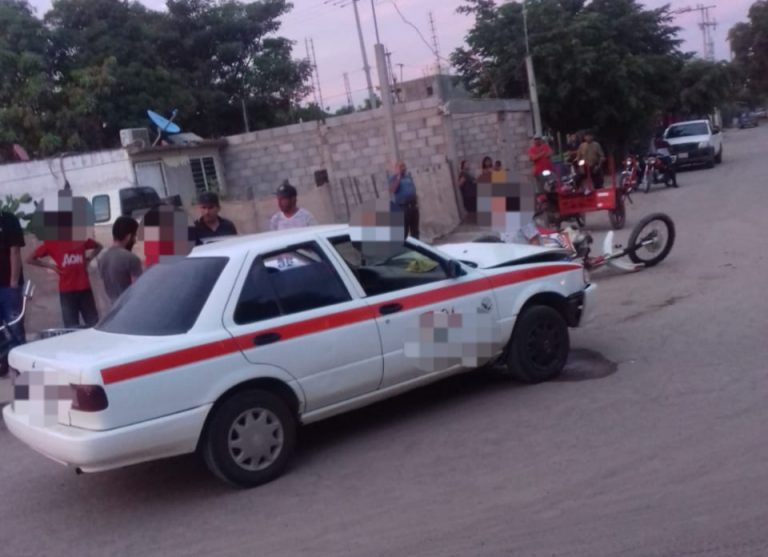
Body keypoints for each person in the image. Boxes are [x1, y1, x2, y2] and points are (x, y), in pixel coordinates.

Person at [27, 225, 103, 329]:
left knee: (94, 325)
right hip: (67, 291)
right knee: (71, 328)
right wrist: (51, 266)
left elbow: (99, 246)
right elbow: (30, 259)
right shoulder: (51, 243)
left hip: (84, 288)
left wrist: (89, 258)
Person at [0, 211, 26, 376]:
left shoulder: (9, 220)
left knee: (15, 327)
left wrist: (14, 283)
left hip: (9, 286)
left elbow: (15, 252)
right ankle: (3, 363)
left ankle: (21, 367)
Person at [97, 216, 143, 306]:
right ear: (129, 237)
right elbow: (139, 290)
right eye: (135, 236)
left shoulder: (102, 258)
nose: (135, 241)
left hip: (114, 308)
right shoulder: (131, 258)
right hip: (130, 307)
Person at [389, 161, 420, 239]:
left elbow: (413, 189)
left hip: (413, 207)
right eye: (400, 167)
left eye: (404, 167)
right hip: (403, 208)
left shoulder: (408, 177)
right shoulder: (393, 178)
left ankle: (417, 247)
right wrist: (398, 178)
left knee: (415, 230)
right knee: (404, 231)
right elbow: (393, 190)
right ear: (396, 169)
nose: (403, 169)